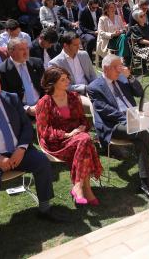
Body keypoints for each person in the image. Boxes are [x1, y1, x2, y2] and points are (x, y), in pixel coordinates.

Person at [0, 68, 67, 256]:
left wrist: (22, 148)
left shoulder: (11, 98)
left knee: (41, 161)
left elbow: (26, 126)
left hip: (17, 151)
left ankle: (45, 208)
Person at [88, 54, 149, 198]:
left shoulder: (122, 79)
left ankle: (146, 184)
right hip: (113, 125)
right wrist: (128, 119)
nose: (120, 70)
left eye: (121, 66)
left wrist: (129, 77)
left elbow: (140, 92)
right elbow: (106, 111)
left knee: (141, 142)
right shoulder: (94, 87)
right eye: (117, 67)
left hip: (133, 118)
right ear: (105, 68)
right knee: (143, 131)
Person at [36, 66, 102, 205]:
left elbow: (83, 119)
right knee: (86, 141)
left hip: (77, 138)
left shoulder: (73, 97)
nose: (67, 82)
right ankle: (85, 189)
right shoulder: (44, 102)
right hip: (56, 142)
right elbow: (44, 131)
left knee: (84, 141)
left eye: (67, 78)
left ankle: (79, 187)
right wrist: (67, 134)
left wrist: (83, 126)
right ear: (52, 83)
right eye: (63, 80)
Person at [0, 38, 45, 117]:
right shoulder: (1, 71)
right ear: (10, 51)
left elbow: (45, 86)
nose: (26, 52)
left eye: (27, 48)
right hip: (19, 112)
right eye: (22, 49)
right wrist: (27, 109)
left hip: (42, 105)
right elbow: (5, 97)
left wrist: (43, 103)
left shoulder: (37, 63)